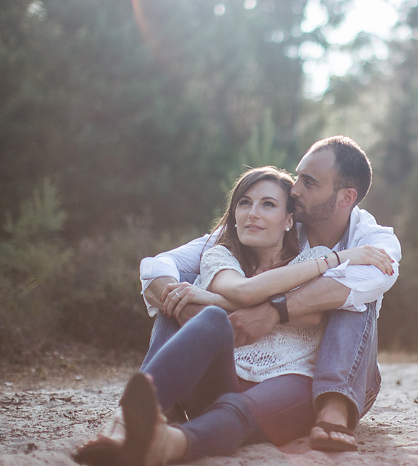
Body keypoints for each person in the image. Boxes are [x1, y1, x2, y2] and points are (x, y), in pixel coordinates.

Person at [73, 166, 394, 464]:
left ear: (288, 220)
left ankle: (166, 443)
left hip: (290, 381)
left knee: (239, 406)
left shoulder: (315, 258)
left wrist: (211, 297)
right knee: (184, 305)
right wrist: (209, 299)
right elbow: (243, 291)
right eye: (244, 203)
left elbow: (312, 316)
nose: (253, 214)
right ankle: (127, 425)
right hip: (226, 376)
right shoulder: (220, 255)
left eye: (268, 204)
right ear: (234, 214)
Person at [137, 135, 400, 451]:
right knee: (183, 287)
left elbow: (347, 290)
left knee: (354, 295)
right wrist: (181, 301)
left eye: (309, 183)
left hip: (339, 378)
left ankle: (334, 407)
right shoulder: (273, 220)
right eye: (297, 175)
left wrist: (271, 311)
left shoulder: (372, 240)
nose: (295, 189)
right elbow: (162, 264)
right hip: (244, 360)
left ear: (345, 197)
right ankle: (153, 409)